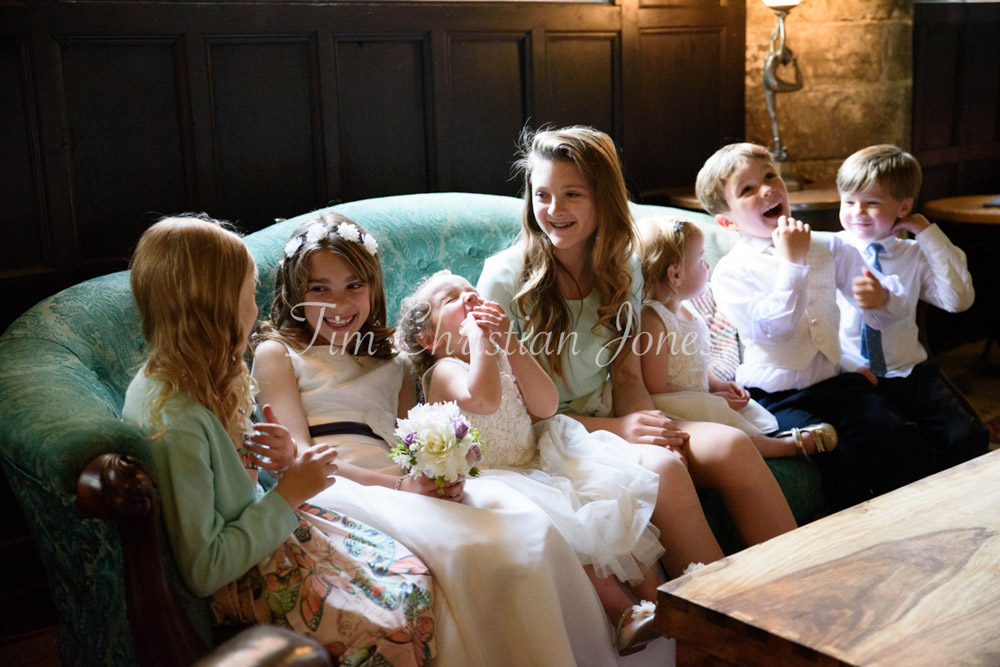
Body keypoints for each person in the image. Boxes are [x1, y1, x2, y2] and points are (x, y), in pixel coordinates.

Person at [252, 212, 619, 666]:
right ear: (295, 295)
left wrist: (438, 476)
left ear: (374, 288)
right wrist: (402, 487)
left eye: (354, 286)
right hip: (341, 490)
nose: (339, 303)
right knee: (472, 551)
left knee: (529, 526)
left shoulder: (394, 363)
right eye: (319, 289)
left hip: (408, 486)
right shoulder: (279, 355)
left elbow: (416, 442)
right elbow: (301, 461)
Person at [477, 125, 798, 578]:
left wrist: (650, 425)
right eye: (542, 194)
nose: (554, 209)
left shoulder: (623, 265)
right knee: (664, 469)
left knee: (731, 445)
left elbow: (627, 377)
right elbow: (508, 410)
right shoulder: (504, 277)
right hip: (549, 433)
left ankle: (799, 583)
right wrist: (621, 429)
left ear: (603, 198)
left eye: (572, 194)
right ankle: (722, 615)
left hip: (612, 412)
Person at [121, 215, 437, 665]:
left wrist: (262, 463)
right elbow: (204, 570)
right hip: (252, 569)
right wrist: (289, 491)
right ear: (213, 306)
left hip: (274, 529)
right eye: (248, 294)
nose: (254, 310)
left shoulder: (197, 380)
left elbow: (231, 488)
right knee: (400, 614)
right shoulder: (174, 419)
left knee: (414, 574)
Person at [397, 269, 665, 655]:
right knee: (567, 522)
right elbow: (485, 399)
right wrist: (480, 340)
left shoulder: (500, 353)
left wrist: (507, 341)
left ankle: (665, 602)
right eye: (452, 299)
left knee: (605, 507)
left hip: (534, 461)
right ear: (430, 339)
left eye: (471, 291)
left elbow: (546, 404)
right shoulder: (444, 371)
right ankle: (622, 613)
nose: (469, 297)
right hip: (495, 478)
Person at [697, 142, 937, 512]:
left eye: (769, 176)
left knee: (895, 433)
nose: (767, 189)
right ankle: (854, 539)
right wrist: (792, 265)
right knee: (840, 454)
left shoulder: (830, 247)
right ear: (727, 222)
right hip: (776, 392)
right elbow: (771, 331)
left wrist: (882, 301)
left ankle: (915, 518)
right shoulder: (732, 271)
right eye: (747, 190)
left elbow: (880, 316)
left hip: (835, 381)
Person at [835, 144, 988, 469]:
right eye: (849, 202)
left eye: (871, 203)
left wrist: (925, 232)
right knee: (901, 446)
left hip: (910, 370)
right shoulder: (831, 249)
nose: (857, 212)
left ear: (903, 206)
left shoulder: (914, 254)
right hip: (852, 374)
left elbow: (957, 300)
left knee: (966, 437)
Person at [636, 215, 836, 458]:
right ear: (675, 275)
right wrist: (709, 398)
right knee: (733, 434)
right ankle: (785, 447)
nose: (707, 265)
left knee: (747, 414)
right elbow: (656, 385)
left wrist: (717, 384)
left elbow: (695, 361)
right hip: (675, 405)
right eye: (701, 258)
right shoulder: (653, 319)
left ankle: (774, 436)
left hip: (698, 396)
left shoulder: (689, 309)